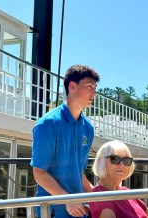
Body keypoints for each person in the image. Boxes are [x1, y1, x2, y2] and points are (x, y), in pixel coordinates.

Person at [30, 64, 100, 218]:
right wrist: (67, 199)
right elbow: (39, 172)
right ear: (72, 86)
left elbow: (78, 173)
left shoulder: (88, 128)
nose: (94, 93)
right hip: (52, 210)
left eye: (95, 87)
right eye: (89, 86)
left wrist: (102, 199)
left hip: (79, 210)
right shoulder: (47, 124)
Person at [89, 140, 148, 218]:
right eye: (115, 159)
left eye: (126, 160)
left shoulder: (126, 192)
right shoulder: (100, 195)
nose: (122, 165)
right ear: (100, 161)